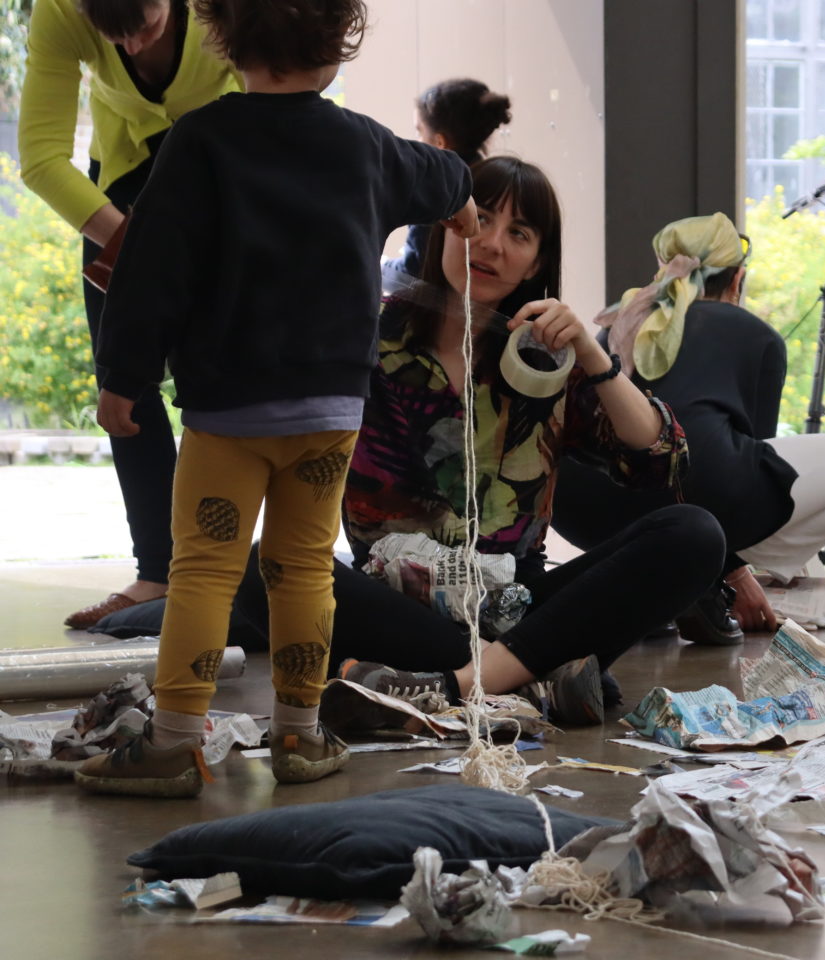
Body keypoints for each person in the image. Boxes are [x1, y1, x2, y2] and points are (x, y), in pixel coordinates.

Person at [75, 0, 478, 798]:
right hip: (328, 415)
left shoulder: (201, 143)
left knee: (202, 572)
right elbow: (444, 175)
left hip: (229, 414)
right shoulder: (364, 146)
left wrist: (124, 376)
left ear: (224, 42)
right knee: (303, 574)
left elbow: (151, 271)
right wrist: (460, 200)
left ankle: (174, 743)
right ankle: (298, 735)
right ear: (339, 44)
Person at [327, 157, 726, 722]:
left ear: (538, 260)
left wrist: (594, 355)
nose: (490, 244)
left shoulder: (547, 357)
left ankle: (456, 687)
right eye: (480, 218)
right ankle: (535, 680)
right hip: (392, 606)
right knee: (265, 566)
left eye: (519, 233)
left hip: (518, 607)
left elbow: (664, 460)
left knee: (694, 535)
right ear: (446, 225)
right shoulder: (369, 332)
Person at [552, 213, 825, 639]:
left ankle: (664, 586)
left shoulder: (618, 326)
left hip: (581, 513)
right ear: (737, 280)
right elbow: (757, 460)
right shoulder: (757, 335)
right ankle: (710, 581)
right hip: (689, 500)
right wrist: (734, 572)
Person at [19, 0, 242, 629]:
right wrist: (134, 251)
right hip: (118, 191)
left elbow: (282, 84)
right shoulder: (59, 10)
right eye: (114, 35)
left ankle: (237, 572)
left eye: (145, 24)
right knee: (125, 390)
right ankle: (157, 571)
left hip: (225, 178)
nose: (137, 47)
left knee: (232, 382)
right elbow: (40, 158)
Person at [384, 77, 512, 282]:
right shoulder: (495, 181)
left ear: (439, 142)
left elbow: (413, 269)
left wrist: (383, 265)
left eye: (419, 131)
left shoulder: (435, 188)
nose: (417, 141)